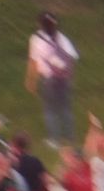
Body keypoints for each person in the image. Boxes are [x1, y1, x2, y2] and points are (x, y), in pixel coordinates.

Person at [28, 11, 81, 146]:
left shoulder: (36, 39)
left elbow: (33, 61)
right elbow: (72, 58)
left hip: (48, 79)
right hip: (64, 78)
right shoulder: (62, 38)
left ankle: (54, 139)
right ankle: (70, 137)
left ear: (40, 24)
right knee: (65, 108)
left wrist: (31, 80)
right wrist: (70, 76)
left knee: (50, 110)